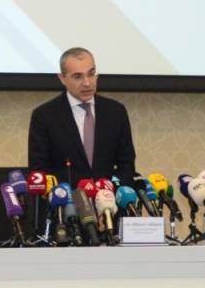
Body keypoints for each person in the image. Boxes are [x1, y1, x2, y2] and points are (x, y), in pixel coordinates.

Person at [28, 47, 136, 185]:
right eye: (78, 77)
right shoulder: (44, 116)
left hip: (110, 196)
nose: (87, 83)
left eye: (91, 74)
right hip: (66, 197)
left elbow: (127, 164)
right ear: (62, 79)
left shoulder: (116, 112)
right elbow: (39, 171)